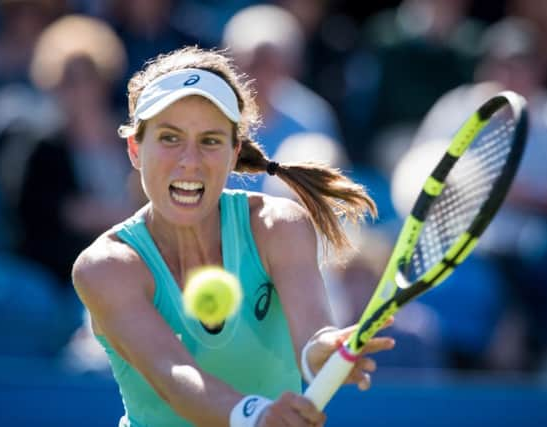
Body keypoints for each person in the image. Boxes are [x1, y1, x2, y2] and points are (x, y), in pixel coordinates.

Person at [71, 46, 396, 427]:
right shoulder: (106, 268)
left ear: (233, 151)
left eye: (209, 140)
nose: (189, 160)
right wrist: (255, 415)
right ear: (135, 149)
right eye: (170, 138)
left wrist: (322, 351)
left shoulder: (278, 226)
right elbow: (174, 374)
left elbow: (312, 333)